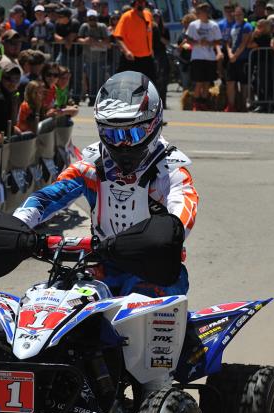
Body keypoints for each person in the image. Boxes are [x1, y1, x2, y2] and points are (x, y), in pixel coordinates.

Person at [12, 72, 196, 299]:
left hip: (156, 271)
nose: (122, 143)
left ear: (153, 124)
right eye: (111, 133)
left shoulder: (171, 170)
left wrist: (166, 237)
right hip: (102, 266)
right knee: (52, 298)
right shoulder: (91, 165)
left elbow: (182, 216)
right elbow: (47, 197)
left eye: (133, 133)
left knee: (140, 311)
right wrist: (16, 226)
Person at [185, 3, 221, 110]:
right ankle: (196, 103)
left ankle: (204, 102)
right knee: (198, 82)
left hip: (210, 57)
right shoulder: (193, 25)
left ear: (206, 13)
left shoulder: (213, 25)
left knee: (207, 82)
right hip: (197, 57)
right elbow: (188, 39)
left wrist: (209, 43)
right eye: (198, 12)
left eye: (201, 12)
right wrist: (197, 42)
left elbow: (219, 41)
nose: (198, 14)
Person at [113, 0, 157, 81]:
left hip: (147, 58)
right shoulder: (126, 17)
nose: (141, 4)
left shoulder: (148, 15)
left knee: (151, 84)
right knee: (123, 83)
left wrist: (151, 50)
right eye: (138, 2)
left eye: (143, 2)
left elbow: (149, 34)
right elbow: (118, 37)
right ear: (134, 3)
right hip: (131, 58)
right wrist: (126, 51)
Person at [224, 5, 252, 112]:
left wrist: (235, 56)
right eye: (236, 14)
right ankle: (231, 105)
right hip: (233, 58)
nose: (237, 16)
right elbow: (229, 43)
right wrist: (230, 54)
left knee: (243, 83)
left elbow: (243, 44)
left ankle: (243, 105)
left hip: (242, 58)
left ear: (243, 15)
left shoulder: (247, 26)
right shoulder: (233, 26)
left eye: (239, 14)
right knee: (230, 82)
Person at [79, 9, 110, 104]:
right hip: (88, 58)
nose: (92, 20)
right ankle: (92, 99)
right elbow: (78, 38)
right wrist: (85, 41)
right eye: (90, 18)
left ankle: (99, 98)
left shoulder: (102, 27)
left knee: (100, 79)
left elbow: (107, 41)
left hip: (101, 58)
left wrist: (95, 41)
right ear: (87, 18)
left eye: (93, 18)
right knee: (91, 79)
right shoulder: (84, 26)